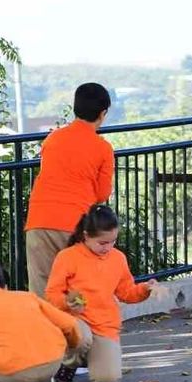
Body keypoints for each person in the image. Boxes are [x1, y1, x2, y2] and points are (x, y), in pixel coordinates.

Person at [45, 204, 157, 382]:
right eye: (103, 243)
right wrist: (67, 302)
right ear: (86, 236)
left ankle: (87, 357)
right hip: (75, 319)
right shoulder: (67, 257)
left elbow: (126, 292)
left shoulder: (118, 258)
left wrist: (146, 288)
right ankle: (69, 364)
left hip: (104, 325)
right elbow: (51, 293)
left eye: (113, 241)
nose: (108, 247)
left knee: (108, 380)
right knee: (81, 338)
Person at [24, 83, 115, 296]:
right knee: (76, 290)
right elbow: (102, 194)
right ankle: (77, 330)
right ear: (102, 114)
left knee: (43, 290)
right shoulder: (102, 148)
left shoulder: (53, 138)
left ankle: (45, 330)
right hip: (74, 223)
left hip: (39, 220)